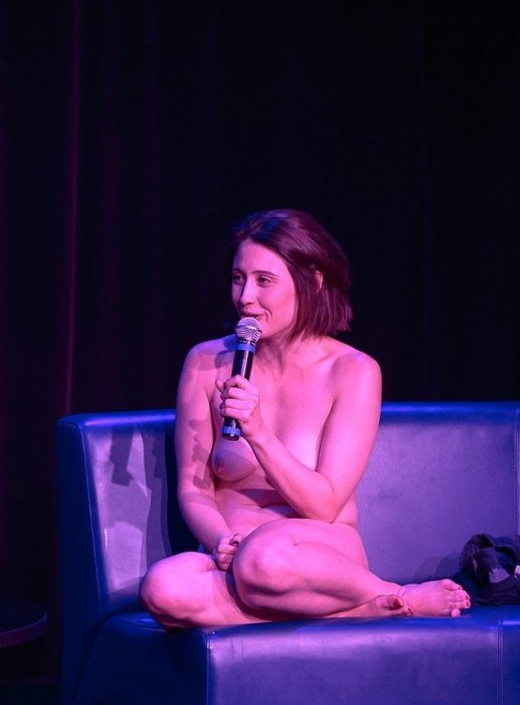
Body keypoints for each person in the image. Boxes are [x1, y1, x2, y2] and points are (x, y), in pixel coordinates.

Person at [140, 209, 471, 627]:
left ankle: (389, 592)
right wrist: (219, 539)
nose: (245, 297)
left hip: (313, 554)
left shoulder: (352, 371)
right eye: (238, 278)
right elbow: (195, 488)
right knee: (163, 588)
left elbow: (323, 505)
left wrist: (258, 432)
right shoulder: (207, 361)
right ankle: (362, 609)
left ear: (312, 282)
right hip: (232, 557)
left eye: (264, 281)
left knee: (263, 560)